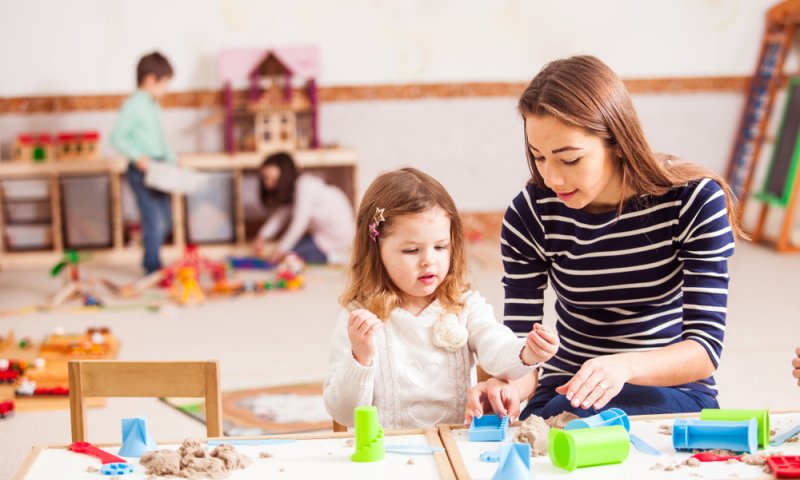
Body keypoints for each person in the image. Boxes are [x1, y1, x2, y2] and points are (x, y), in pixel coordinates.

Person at [464, 55, 745, 424]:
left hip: (672, 391)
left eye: (570, 159)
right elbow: (523, 352)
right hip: (566, 389)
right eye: (539, 157)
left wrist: (621, 368)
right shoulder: (531, 214)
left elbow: (704, 349)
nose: (553, 179)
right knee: (555, 426)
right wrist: (504, 388)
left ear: (616, 140)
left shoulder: (692, 202)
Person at [323, 168, 560, 429]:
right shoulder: (358, 317)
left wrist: (527, 352)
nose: (429, 260)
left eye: (440, 247)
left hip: (454, 446)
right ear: (376, 251)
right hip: (387, 456)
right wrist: (361, 357)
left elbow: (496, 349)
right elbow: (343, 413)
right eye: (411, 250)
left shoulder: (464, 304)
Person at [110, 51, 175, 274]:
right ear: (149, 80)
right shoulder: (134, 104)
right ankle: (152, 265)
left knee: (166, 218)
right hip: (142, 170)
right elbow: (117, 136)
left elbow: (160, 138)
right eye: (164, 83)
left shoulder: (152, 104)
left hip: (159, 167)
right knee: (153, 218)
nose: (166, 89)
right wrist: (138, 156)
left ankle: (153, 258)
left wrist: (172, 161)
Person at [253, 152, 355, 264]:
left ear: (283, 176)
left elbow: (299, 224)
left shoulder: (305, 186)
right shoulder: (297, 187)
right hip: (321, 235)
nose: (266, 183)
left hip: (336, 239)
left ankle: (334, 257)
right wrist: (262, 235)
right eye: (265, 178)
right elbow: (281, 214)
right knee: (292, 247)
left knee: (290, 255)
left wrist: (280, 250)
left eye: (271, 178)